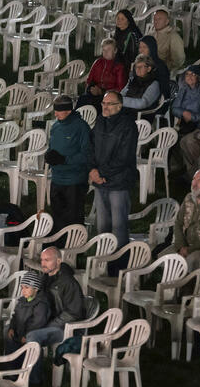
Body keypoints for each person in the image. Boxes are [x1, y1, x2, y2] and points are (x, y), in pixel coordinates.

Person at [23, 247, 85, 385]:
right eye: (42, 260)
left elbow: (73, 313)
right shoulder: (45, 278)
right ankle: (14, 372)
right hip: (49, 322)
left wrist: (48, 325)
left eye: (47, 260)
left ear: (58, 261)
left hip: (65, 328)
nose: (43, 263)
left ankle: (34, 380)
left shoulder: (68, 283)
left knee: (33, 336)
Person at [89, 91, 137, 246]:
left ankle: (119, 262)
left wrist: (100, 172)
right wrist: (92, 170)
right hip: (100, 180)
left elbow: (124, 157)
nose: (105, 107)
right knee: (102, 225)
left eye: (110, 104)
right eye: (103, 103)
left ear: (120, 106)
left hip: (119, 181)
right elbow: (91, 146)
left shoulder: (128, 126)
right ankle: (103, 261)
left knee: (119, 226)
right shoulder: (100, 121)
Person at [45, 95, 91, 232]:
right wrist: (49, 155)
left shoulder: (81, 127)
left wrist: (65, 159)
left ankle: (75, 247)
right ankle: (59, 246)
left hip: (74, 180)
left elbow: (87, 154)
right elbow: (52, 147)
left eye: (59, 110)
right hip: (57, 178)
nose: (55, 113)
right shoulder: (56, 126)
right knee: (57, 217)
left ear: (68, 111)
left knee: (73, 219)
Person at [5, 271, 52, 374]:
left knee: (31, 347)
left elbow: (38, 322)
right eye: (22, 288)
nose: (23, 291)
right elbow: (15, 316)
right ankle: (12, 371)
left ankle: (33, 377)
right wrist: (12, 327)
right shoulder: (22, 301)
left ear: (36, 289)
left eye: (27, 288)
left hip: (34, 333)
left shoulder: (41, 304)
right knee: (10, 340)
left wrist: (27, 334)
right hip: (20, 330)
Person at [77, 38, 126, 109]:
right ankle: (76, 118)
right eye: (104, 50)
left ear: (115, 50)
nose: (106, 52)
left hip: (109, 97)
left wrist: (102, 92)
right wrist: (90, 89)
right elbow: (89, 80)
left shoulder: (119, 66)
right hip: (94, 93)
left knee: (97, 104)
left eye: (108, 49)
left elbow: (121, 88)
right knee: (83, 99)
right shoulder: (98, 62)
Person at [170, 65, 200, 135]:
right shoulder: (183, 90)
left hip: (199, 124)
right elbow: (174, 108)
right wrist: (183, 113)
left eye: (193, 74)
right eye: (187, 74)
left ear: (198, 77)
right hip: (183, 122)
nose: (189, 77)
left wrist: (192, 117)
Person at [112, 9, 143, 74]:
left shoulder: (132, 35)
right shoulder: (119, 32)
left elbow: (133, 57)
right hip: (118, 62)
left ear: (128, 21)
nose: (119, 21)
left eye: (122, 19)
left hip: (126, 67)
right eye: (118, 18)